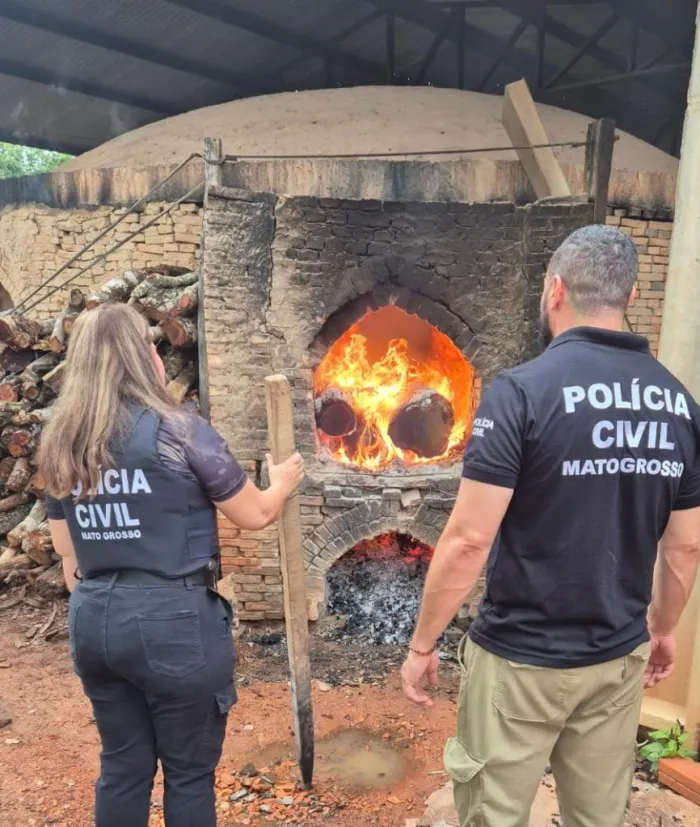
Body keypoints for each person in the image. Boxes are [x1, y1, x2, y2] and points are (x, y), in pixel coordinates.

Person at [401, 225, 700, 827]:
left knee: (494, 814)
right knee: (597, 817)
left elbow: (468, 541)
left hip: (520, 660)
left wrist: (423, 643)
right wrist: (664, 627)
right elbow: (686, 546)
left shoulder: (521, 393)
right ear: (631, 295)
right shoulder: (679, 404)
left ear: (555, 289)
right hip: (615, 657)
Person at [38, 302, 304, 827]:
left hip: (94, 619)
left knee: (122, 766)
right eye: (152, 347)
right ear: (144, 357)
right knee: (187, 773)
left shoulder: (60, 441)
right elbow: (254, 514)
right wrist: (282, 484)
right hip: (175, 622)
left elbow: (67, 552)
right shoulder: (181, 430)